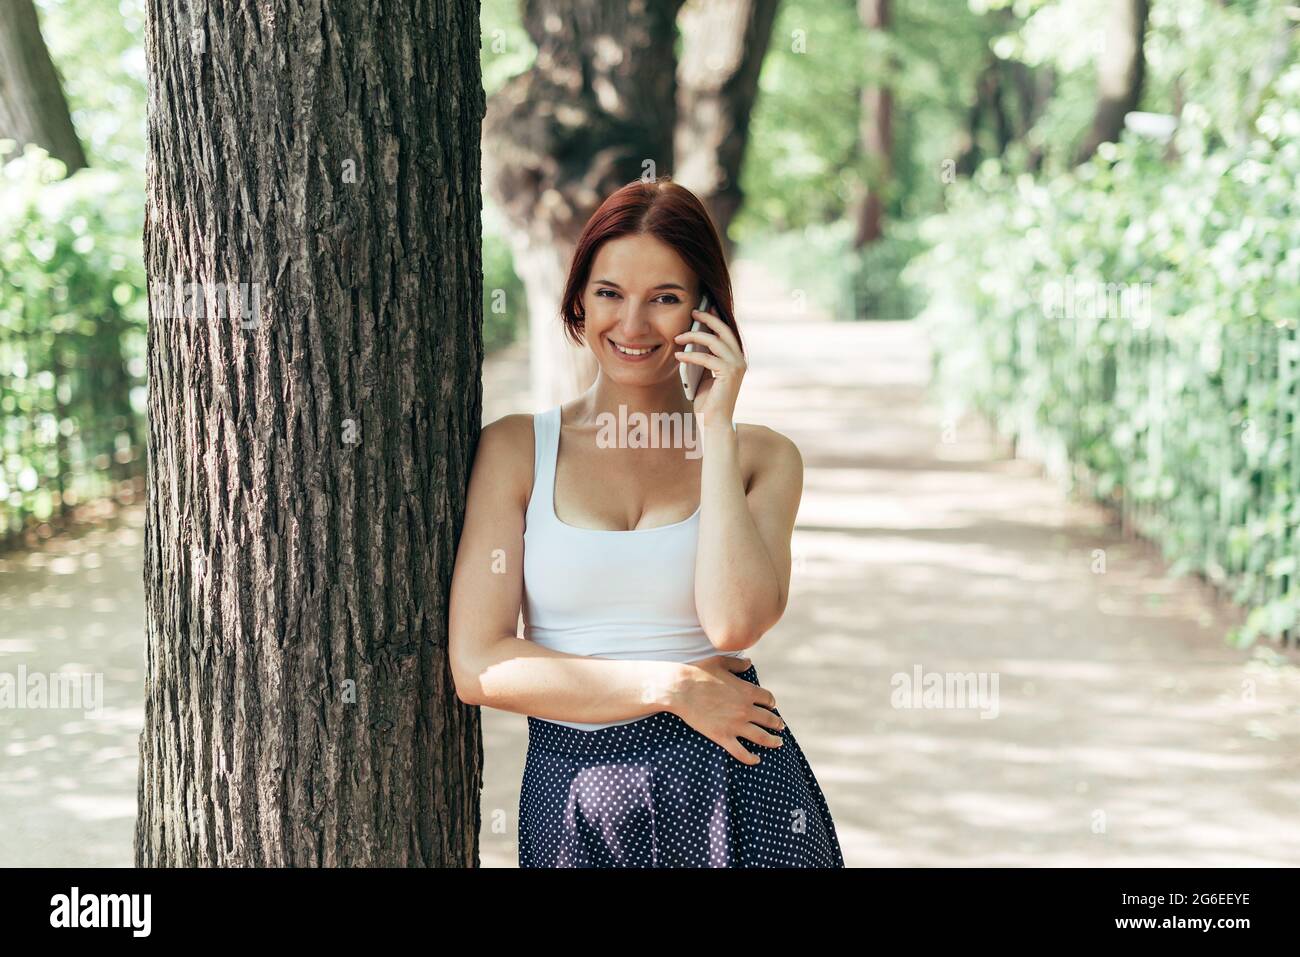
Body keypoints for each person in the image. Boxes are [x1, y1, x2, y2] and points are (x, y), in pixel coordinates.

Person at [449, 175, 845, 868]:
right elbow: (479, 665)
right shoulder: (517, 449)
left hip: (735, 782)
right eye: (609, 293)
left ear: (706, 312)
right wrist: (671, 686)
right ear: (577, 299)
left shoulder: (762, 456)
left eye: (664, 298)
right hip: (579, 795)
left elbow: (734, 625)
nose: (632, 325)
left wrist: (714, 429)